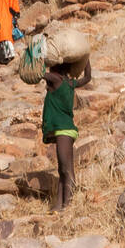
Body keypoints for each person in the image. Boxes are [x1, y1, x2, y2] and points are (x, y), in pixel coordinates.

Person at [42, 60, 91, 210]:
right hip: (66, 130)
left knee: (65, 169)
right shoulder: (70, 83)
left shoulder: (57, 80)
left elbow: (38, 74)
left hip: (64, 130)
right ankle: (59, 204)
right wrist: (86, 59)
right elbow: (88, 77)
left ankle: (67, 205)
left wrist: (35, 55)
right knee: (63, 169)